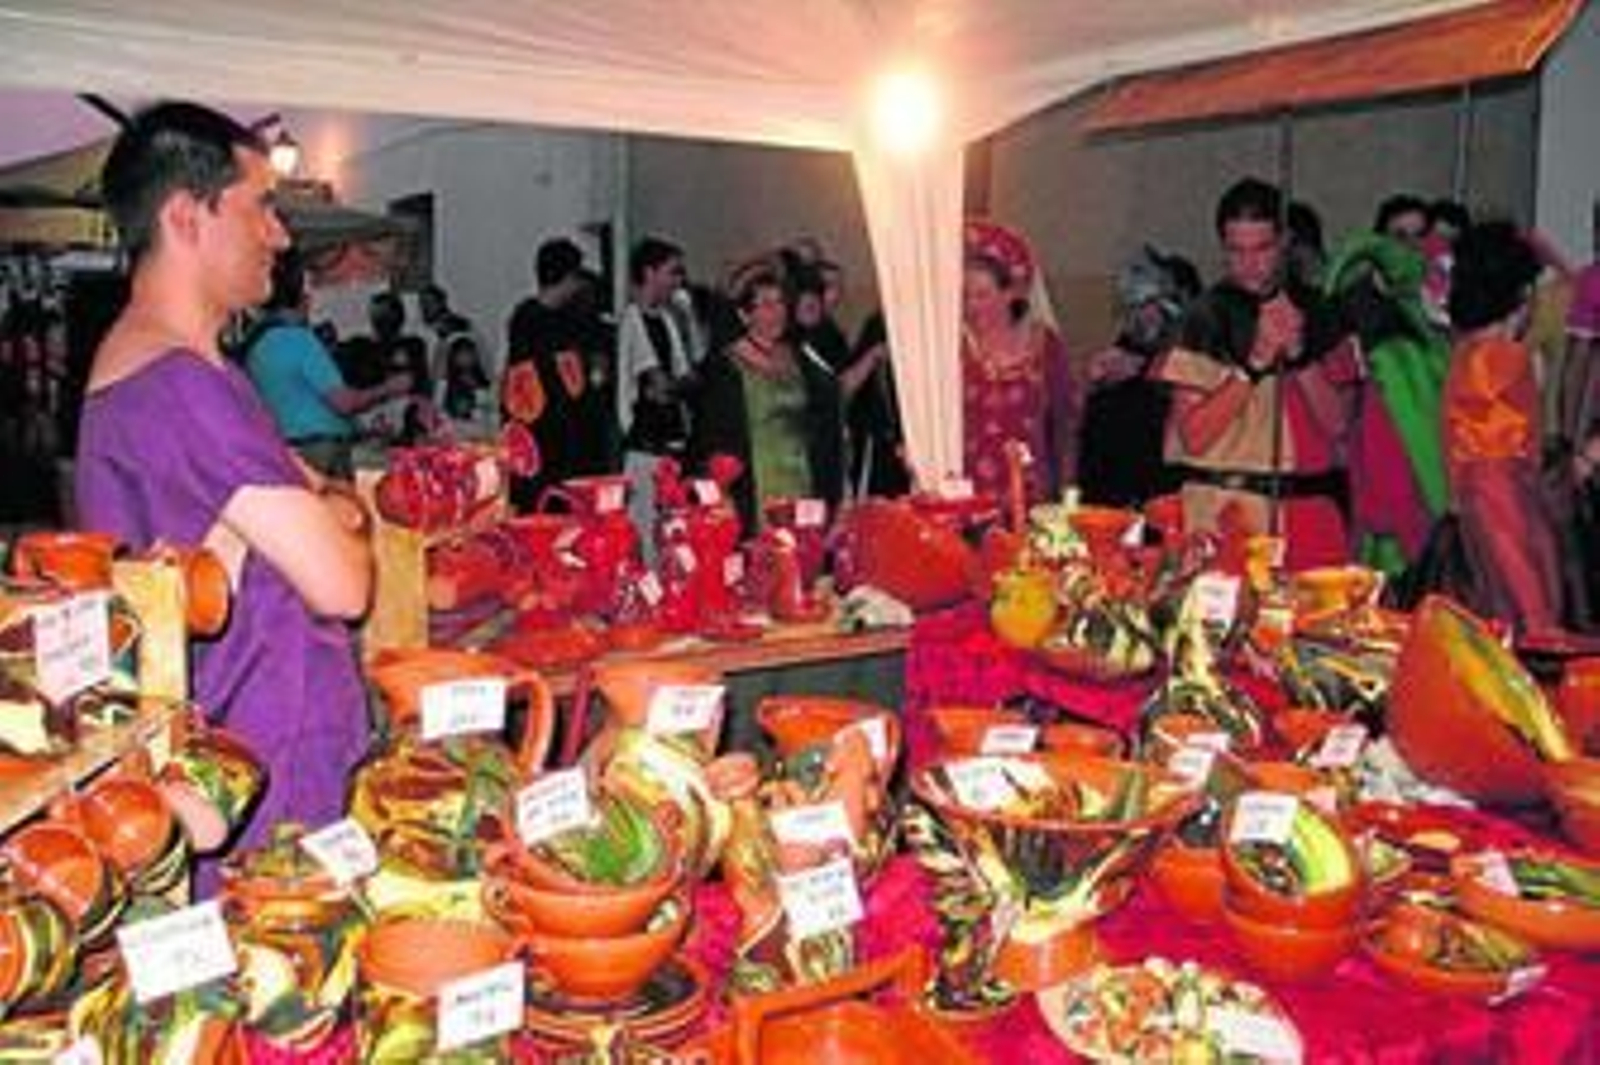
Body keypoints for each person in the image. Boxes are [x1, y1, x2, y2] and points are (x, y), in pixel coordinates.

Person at [75, 102, 371, 862]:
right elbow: (344, 583)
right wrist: (331, 515)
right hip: (249, 780)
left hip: (266, 760)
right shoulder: (178, 386)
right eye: (261, 206)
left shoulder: (203, 374)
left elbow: (335, 508)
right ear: (186, 216)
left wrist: (326, 511)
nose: (280, 234)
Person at [1154, 178, 1357, 570]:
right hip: (1221, 512)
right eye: (1236, 251)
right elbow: (1194, 436)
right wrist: (1252, 367)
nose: (1249, 264)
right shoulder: (1203, 318)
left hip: (1307, 512)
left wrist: (1300, 358)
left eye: (1262, 248)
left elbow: (1339, 425)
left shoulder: (1322, 312)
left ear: (1284, 243)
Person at [1442, 221, 1565, 635]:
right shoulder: (1499, 364)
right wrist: (1540, 622)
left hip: (1488, 504)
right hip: (1503, 501)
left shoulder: (1470, 353)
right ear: (1525, 294)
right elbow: (1499, 493)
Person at [690, 268, 844, 532]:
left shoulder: (799, 356)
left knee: (803, 548)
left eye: (780, 302)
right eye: (766, 304)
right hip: (754, 483)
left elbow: (829, 405)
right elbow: (712, 437)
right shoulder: (727, 364)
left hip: (802, 478)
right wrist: (720, 492)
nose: (777, 311)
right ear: (744, 315)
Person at [245, 248, 410, 479]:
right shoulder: (299, 339)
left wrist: (363, 430)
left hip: (286, 448)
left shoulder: (257, 343)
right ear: (302, 298)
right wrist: (389, 388)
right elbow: (344, 403)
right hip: (320, 452)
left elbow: (296, 403)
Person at [960, 219, 1077, 505]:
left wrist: (1068, 495)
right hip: (967, 497)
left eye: (982, 295)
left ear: (1010, 294)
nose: (971, 306)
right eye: (966, 295)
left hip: (1030, 493)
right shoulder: (957, 348)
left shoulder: (1044, 346)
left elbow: (1065, 425)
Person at [1078, 246, 1198, 508]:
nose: (1141, 314)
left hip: (1167, 487)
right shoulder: (1132, 339)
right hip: (1113, 490)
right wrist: (1093, 380)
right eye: (1136, 305)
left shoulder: (1198, 339)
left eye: (1149, 302)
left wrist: (1142, 369)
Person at [503, 237, 610, 507]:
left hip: (569, 442)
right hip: (546, 441)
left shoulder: (567, 319)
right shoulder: (530, 320)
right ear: (568, 277)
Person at [617, 237, 697, 549]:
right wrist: (677, 387)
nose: (678, 282)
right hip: (645, 443)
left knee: (671, 532)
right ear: (649, 273)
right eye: (672, 272)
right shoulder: (632, 320)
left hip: (671, 440)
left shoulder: (666, 320)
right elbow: (660, 383)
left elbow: (687, 377)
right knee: (645, 532)